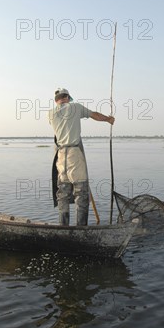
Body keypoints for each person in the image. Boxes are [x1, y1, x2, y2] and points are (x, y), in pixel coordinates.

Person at [49, 88, 115, 226]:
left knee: (63, 193)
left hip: (60, 157)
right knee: (81, 192)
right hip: (74, 155)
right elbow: (94, 115)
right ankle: (81, 229)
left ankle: (63, 228)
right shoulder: (75, 107)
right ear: (67, 97)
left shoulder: (51, 113)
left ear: (56, 100)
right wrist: (108, 119)